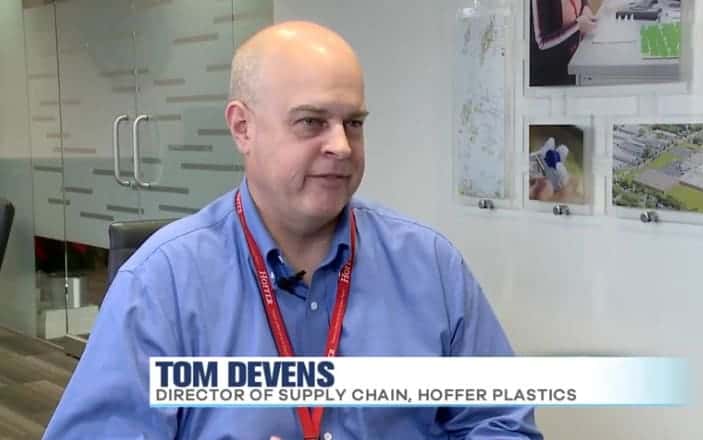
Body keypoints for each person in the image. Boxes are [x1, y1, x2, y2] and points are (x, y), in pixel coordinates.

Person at [44, 21, 542, 439]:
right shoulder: (160, 284)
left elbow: (502, 422)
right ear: (242, 128)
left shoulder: (430, 265)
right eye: (311, 122)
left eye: (354, 123)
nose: (341, 146)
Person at [530, 0, 597, 86]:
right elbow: (542, 43)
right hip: (552, 78)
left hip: (573, 63)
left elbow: (583, 3)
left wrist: (585, 7)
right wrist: (577, 26)